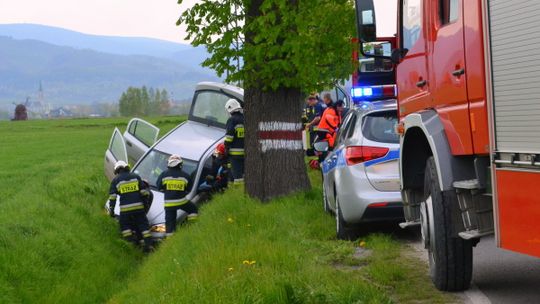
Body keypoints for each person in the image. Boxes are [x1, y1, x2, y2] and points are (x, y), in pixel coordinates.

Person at [108, 160, 154, 252]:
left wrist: (112, 210)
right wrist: (145, 205)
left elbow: (112, 197)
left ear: (117, 171)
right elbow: (144, 193)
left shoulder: (115, 180)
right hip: (139, 208)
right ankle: (148, 246)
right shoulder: (136, 176)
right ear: (126, 167)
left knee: (125, 227)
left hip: (125, 210)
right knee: (144, 226)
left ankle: (132, 245)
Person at [156, 154, 198, 237]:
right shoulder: (185, 176)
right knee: (193, 209)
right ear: (180, 164)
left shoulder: (163, 175)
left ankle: (170, 240)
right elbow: (189, 189)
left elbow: (159, 187)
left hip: (169, 204)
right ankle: (193, 227)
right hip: (181, 202)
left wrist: (167, 190)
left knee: (170, 224)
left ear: (168, 163)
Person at [224, 98, 245, 185]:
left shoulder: (231, 120)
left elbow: (229, 137)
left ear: (230, 109)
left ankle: (237, 191)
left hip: (235, 154)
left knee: (237, 176)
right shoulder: (245, 119)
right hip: (245, 153)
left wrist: (226, 147)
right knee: (244, 174)